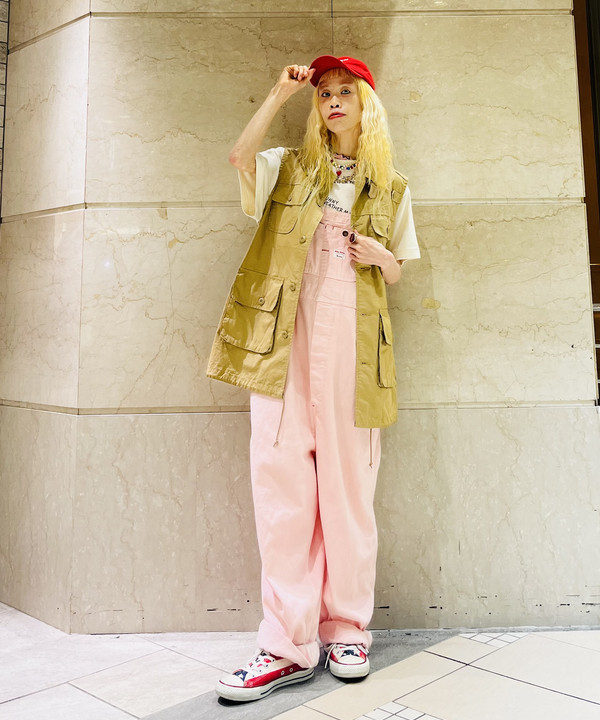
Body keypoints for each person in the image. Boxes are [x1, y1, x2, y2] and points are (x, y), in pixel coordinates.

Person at [213, 55, 420, 703]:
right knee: (282, 490)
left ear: (365, 105)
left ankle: (347, 630)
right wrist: (280, 93)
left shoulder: (391, 186)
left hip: (354, 344)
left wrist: (382, 256)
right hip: (283, 338)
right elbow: (240, 158)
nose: (332, 101)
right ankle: (286, 644)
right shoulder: (291, 167)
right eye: (325, 93)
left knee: (348, 491)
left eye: (345, 92)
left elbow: (398, 271)